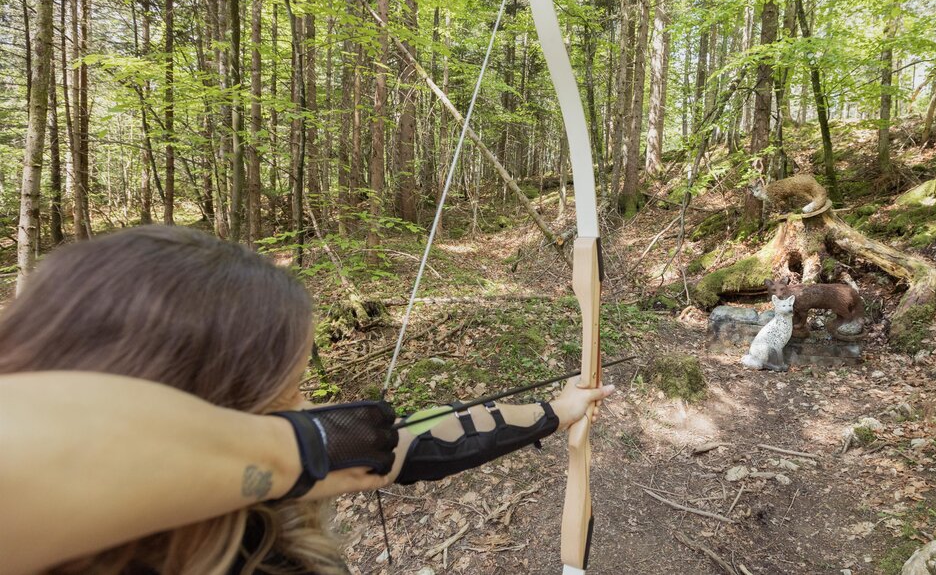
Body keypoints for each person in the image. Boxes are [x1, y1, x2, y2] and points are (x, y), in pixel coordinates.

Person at [0, 226, 614, 575]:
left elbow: (405, 446)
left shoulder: (261, 497)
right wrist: (303, 447)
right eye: (287, 384)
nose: (302, 398)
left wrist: (553, 413)